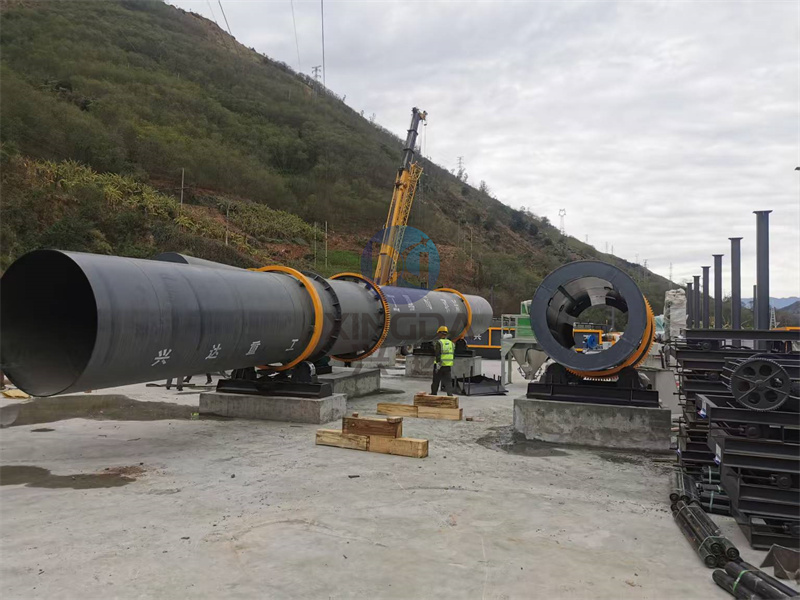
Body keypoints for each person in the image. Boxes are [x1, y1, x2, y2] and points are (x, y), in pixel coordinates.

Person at [431, 325, 455, 395]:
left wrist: (438, 365)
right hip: (448, 366)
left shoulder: (439, 343)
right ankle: (450, 395)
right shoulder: (451, 343)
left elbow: (437, 354)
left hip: (440, 365)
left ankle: (433, 394)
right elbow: (452, 354)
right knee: (448, 381)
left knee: (436, 381)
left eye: (438, 333)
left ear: (440, 333)